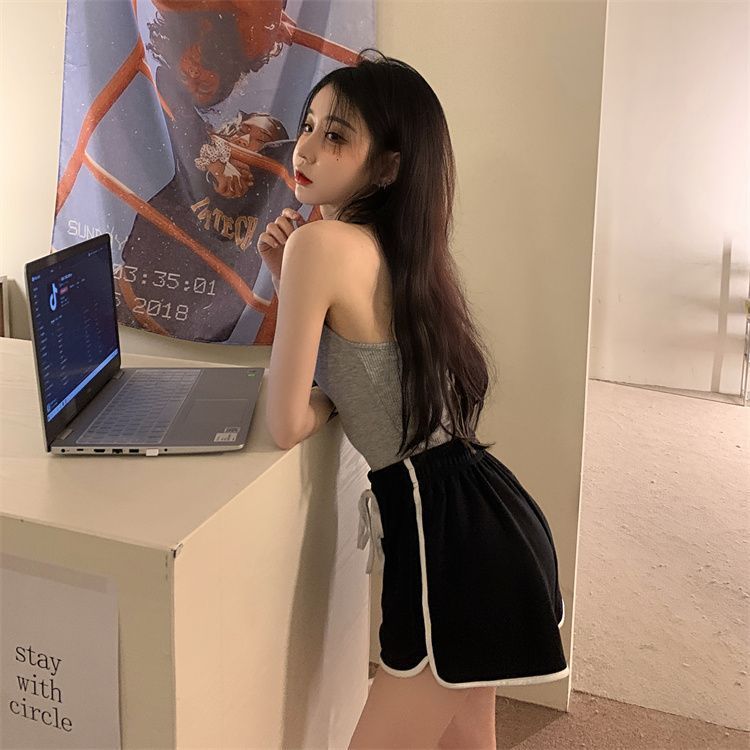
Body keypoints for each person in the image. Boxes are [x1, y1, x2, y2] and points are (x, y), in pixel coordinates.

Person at [259, 48, 569, 749]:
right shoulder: (401, 248)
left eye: (336, 135)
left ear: (389, 166)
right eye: (308, 124)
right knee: (467, 736)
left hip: (445, 538)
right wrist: (290, 285)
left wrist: (325, 397)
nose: (305, 148)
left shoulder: (320, 245)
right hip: (491, 514)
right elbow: (369, 370)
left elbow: (285, 420)